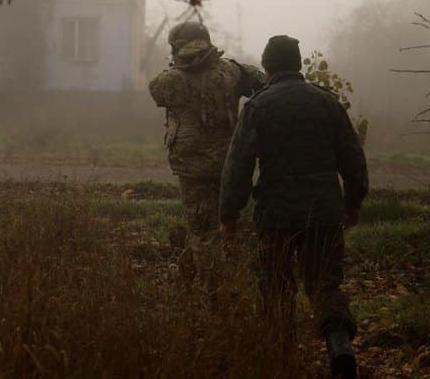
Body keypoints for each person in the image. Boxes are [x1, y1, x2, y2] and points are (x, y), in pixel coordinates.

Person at [219, 35, 368, 379]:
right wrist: (354, 200)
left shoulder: (257, 106)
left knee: (276, 287)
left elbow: (237, 165)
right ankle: (340, 346)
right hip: (324, 212)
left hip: (276, 215)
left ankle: (281, 358)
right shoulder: (328, 103)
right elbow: (353, 157)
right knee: (325, 286)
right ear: (298, 65)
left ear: (268, 67)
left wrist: (229, 214)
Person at [148, 21, 264, 251]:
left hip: (192, 169)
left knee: (201, 233)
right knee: (231, 224)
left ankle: (210, 284)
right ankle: (224, 275)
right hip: (229, 164)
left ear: (180, 47)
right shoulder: (231, 71)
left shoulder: (169, 80)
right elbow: (261, 81)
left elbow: (156, 92)